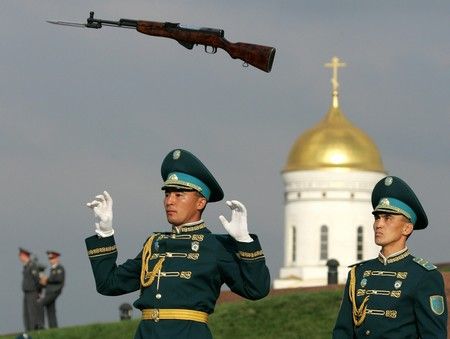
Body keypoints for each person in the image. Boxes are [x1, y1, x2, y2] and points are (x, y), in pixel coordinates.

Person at [84, 148, 271, 339]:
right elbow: (109, 284)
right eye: (167, 194)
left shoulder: (215, 246)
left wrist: (245, 241)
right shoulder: (154, 244)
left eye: (179, 195)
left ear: (200, 203)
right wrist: (104, 232)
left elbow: (256, 289)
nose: (169, 201)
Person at [333, 175, 448, 338]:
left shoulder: (424, 276)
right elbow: (342, 332)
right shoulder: (358, 273)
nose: (378, 224)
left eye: (388, 218)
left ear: (407, 228)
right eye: (377, 217)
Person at [38, 250, 65, 328]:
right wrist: (44, 282)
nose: (51, 260)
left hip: (54, 291)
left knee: (40, 304)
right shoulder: (53, 269)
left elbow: (58, 279)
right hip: (49, 291)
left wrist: (47, 279)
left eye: (52, 258)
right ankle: (53, 327)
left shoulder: (60, 268)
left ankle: (40, 325)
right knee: (50, 310)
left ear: (57, 259)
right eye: (50, 259)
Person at [18, 248, 42, 331]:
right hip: (27, 292)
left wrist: (38, 291)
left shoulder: (32, 265)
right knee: (26, 313)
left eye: (20, 255)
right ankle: (28, 331)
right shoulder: (26, 266)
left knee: (32, 313)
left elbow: (37, 279)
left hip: (32, 292)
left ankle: (33, 330)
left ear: (24, 255)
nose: (19, 258)